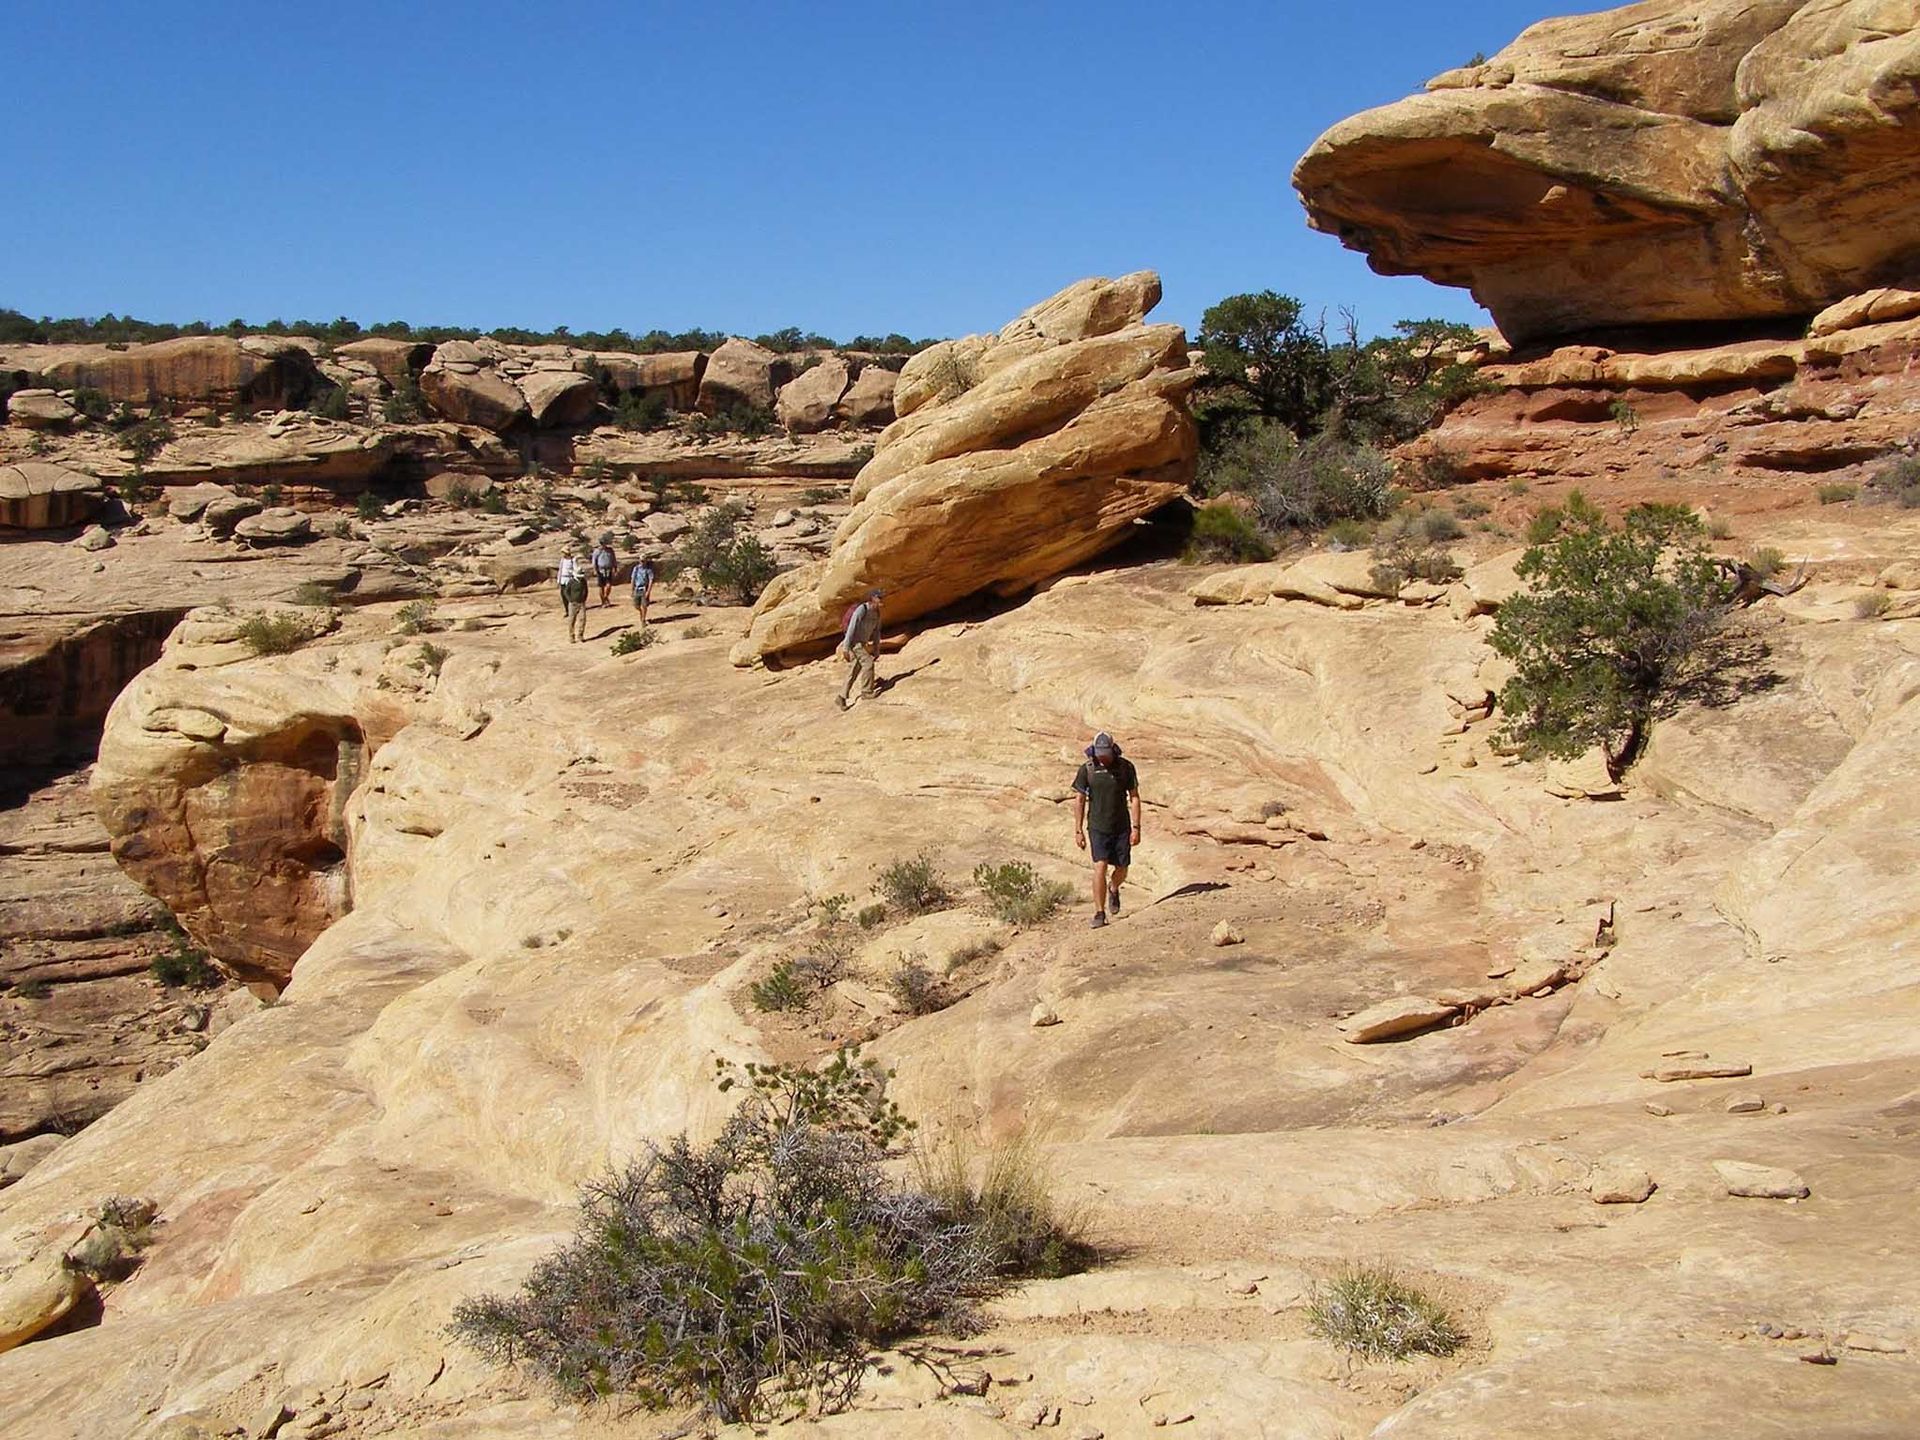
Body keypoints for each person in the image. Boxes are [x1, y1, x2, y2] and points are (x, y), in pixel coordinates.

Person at [1072, 731, 1141, 929]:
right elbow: (1080, 799)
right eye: (1099, 752)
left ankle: (1114, 887)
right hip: (1097, 826)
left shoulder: (1126, 767)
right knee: (1099, 867)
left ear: (1112, 749)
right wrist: (1078, 830)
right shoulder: (1087, 769)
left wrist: (1136, 827)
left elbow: (1134, 797)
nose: (1102, 756)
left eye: (1106, 752)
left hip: (1121, 826)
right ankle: (1099, 913)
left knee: (1122, 868)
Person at [835, 589, 884, 711]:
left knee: (854, 669)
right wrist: (846, 648)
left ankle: (841, 697)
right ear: (872, 598)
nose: (882, 599)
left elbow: (877, 632)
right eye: (879, 597)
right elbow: (851, 627)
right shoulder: (862, 609)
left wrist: (877, 649)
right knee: (868, 664)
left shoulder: (876, 613)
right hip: (854, 643)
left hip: (862, 643)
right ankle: (866, 692)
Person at [558, 552, 590, 643]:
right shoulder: (571, 582)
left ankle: (580, 636)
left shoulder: (583, 581)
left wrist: (584, 598)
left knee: (582, 619)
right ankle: (571, 636)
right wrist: (570, 600)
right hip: (573, 603)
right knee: (572, 620)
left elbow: (586, 590)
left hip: (581, 603)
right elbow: (566, 591)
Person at [591, 537, 618, 607]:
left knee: (609, 585)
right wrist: (595, 570)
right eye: (602, 543)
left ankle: (605, 597)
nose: (603, 545)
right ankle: (603, 602)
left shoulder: (610, 550)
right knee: (601, 587)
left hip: (608, 569)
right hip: (600, 570)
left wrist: (615, 568)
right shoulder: (597, 551)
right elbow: (594, 561)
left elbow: (614, 559)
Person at [630, 553, 656, 625]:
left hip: (644, 589)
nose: (642, 562)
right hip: (637, 589)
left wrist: (648, 591)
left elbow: (651, 580)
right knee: (636, 605)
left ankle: (643, 620)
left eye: (643, 561)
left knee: (644, 605)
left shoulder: (648, 570)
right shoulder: (636, 568)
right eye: (641, 561)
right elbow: (633, 579)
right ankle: (641, 613)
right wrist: (632, 589)